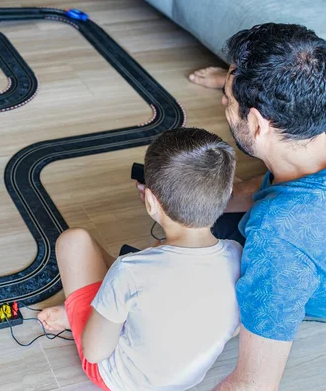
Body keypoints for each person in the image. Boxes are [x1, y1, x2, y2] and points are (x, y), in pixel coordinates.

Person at [38, 128, 242, 391]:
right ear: (225, 197)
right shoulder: (236, 254)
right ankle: (111, 302)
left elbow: (94, 352)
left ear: (150, 202)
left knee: (74, 241)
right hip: (187, 378)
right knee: (132, 276)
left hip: (119, 379)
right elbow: (233, 328)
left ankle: (81, 314)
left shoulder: (131, 270)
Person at [184, 23, 326, 389]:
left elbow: (252, 385)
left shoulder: (278, 235)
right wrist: (191, 194)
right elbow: (269, 187)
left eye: (227, 102)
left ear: (257, 123)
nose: (224, 109)